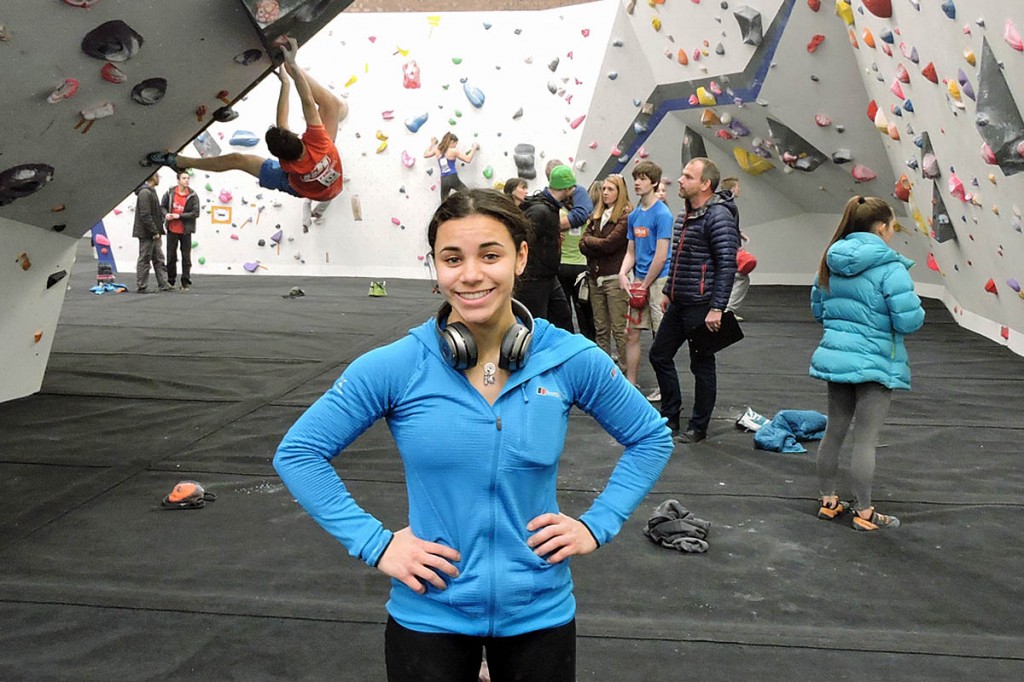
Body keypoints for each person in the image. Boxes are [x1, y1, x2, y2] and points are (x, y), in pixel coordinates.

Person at [273, 188, 673, 681]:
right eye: (452, 258)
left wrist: (596, 525)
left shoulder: (568, 358)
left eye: (490, 255)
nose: (470, 275)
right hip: (429, 616)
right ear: (435, 266)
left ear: (521, 257)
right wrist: (374, 544)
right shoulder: (398, 365)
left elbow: (652, 437)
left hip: (539, 612)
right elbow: (299, 452)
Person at [810, 196, 924, 532]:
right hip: (876, 366)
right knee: (865, 439)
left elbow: (819, 311)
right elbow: (908, 322)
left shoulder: (829, 261)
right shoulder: (891, 269)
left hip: (838, 359)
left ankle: (828, 501)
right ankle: (865, 512)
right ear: (881, 228)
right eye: (892, 225)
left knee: (835, 430)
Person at [143, 38, 347, 202]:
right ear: (299, 137)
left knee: (238, 160)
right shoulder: (321, 144)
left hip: (301, 188)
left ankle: (177, 161)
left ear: (280, 160)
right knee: (331, 106)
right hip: (326, 178)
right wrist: (289, 74)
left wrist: (285, 82)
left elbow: (298, 109)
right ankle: (292, 66)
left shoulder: (287, 168)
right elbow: (308, 103)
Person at [649, 157, 738, 442]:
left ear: (705, 184)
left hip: (702, 304)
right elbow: (680, 258)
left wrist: (717, 307)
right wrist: (668, 291)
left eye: (688, 176)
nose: (680, 180)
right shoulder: (684, 215)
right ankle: (671, 416)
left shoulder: (718, 216)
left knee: (701, 364)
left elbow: (727, 263)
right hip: (679, 300)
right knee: (659, 354)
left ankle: (698, 426)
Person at [616, 160, 674, 391]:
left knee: (660, 337)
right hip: (640, 279)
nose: (637, 183)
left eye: (642, 178)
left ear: (654, 182)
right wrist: (622, 273)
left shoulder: (663, 214)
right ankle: (631, 384)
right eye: (636, 178)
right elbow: (632, 250)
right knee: (631, 333)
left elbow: (661, 256)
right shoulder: (634, 215)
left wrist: (645, 284)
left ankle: (664, 388)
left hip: (659, 281)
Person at [579, 174, 631, 365]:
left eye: (610, 189)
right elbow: (581, 245)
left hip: (615, 278)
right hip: (595, 276)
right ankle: (605, 370)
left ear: (620, 192)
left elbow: (610, 244)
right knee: (601, 328)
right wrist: (592, 243)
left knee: (619, 329)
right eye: (604, 189)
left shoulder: (625, 217)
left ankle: (625, 371)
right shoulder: (597, 215)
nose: (606, 193)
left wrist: (590, 241)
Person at [518, 165, 576, 331]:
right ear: (566, 188)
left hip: (547, 276)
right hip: (535, 278)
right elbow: (523, 241)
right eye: (571, 188)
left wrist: (550, 239)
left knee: (562, 319)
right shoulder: (541, 211)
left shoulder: (547, 208)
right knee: (536, 325)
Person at [556, 176, 597, 341]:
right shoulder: (587, 216)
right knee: (585, 311)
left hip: (562, 266)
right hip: (581, 266)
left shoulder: (559, 214)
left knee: (564, 312)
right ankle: (589, 342)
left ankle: (567, 344)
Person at [132, 173, 172, 294]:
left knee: (159, 258)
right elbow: (145, 215)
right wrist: (154, 231)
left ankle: (163, 283)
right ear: (152, 177)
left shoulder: (151, 191)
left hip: (153, 232)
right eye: (157, 176)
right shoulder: (145, 193)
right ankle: (142, 285)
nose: (159, 178)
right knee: (144, 258)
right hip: (147, 233)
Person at [160, 171, 200, 291]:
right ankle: (171, 280)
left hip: (186, 230)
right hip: (172, 229)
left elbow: (195, 213)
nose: (187, 180)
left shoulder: (193, 195)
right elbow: (162, 206)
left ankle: (185, 281)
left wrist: (180, 216)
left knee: (186, 256)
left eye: (188, 178)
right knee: (171, 256)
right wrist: (166, 214)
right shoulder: (170, 192)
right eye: (184, 178)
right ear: (178, 180)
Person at [720, 176, 752, 319]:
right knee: (741, 278)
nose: (739, 189)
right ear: (733, 189)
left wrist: (739, 234)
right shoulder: (729, 205)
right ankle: (728, 309)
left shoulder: (720, 203)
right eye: (738, 187)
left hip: (726, 247)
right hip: (728, 248)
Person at [425, 132, 479, 200]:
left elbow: (425, 154)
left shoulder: (437, 150)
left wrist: (432, 143)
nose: (455, 146)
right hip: (453, 177)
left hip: (444, 179)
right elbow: (468, 159)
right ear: (452, 142)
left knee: (444, 203)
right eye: (455, 144)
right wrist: (474, 148)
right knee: (468, 195)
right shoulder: (453, 151)